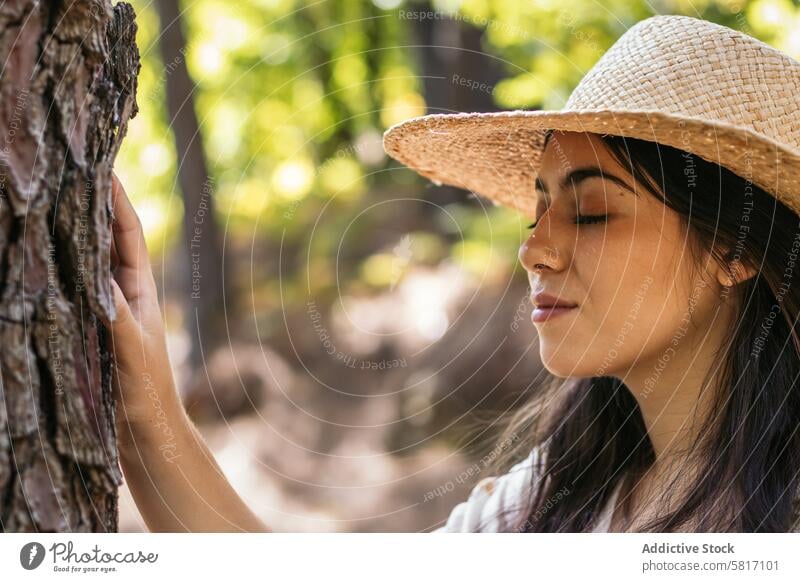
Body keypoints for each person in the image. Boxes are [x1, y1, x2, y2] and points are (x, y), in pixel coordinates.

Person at [109, 14, 800, 532]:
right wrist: (147, 408)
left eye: (590, 212)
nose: (535, 250)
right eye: (537, 211)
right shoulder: (548, 502)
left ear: (734, 247)